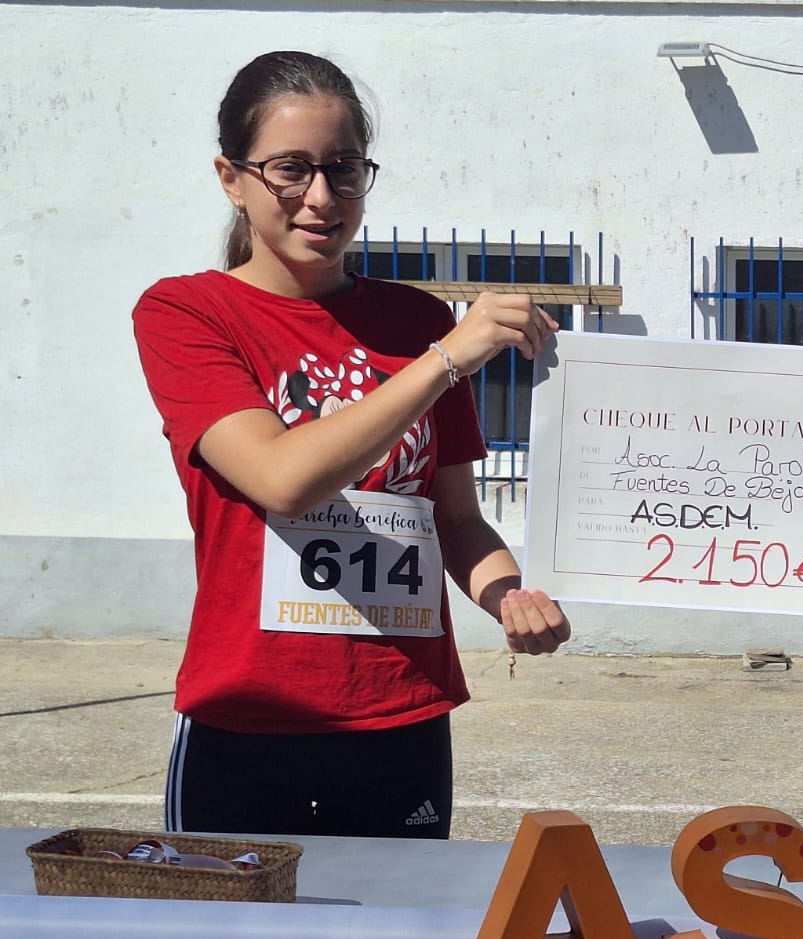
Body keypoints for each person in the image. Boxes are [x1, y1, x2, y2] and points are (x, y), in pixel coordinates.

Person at [132, 50, 570, 839]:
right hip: (248, 717)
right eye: (290, 170)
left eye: (344, 170)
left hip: (397, 712)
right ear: (232, 178)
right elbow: (281, 477)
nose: (322, 198)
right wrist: (444, 363)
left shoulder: (416, 324)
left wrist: (510, 596)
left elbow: (455, 520)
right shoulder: (186, 314)